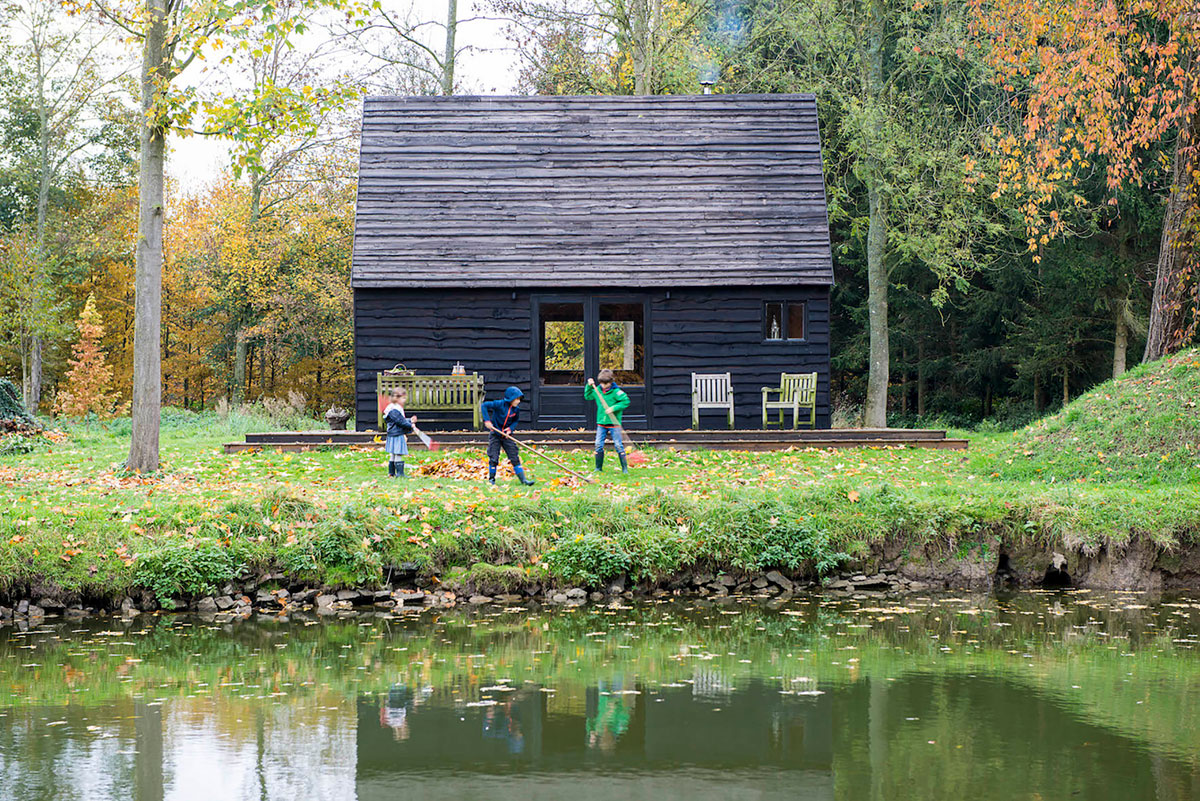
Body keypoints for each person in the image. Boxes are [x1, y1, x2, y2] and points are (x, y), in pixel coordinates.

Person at [481, 386, 535, 486]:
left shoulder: (516, 410)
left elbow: (515, 421)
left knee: (514, 456)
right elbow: (484, 406)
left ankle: (523, 480)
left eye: (519, 399)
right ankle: (491, 480)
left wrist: (510, 429)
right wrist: (487, 420)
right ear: (510, 398)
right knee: (493, 457)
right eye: (516, 399)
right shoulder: (499, 404)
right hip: (495, 434)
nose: (518, 401)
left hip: (506, 436)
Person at [585, 369, 631, 473]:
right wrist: (588, 386)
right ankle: (598, 468)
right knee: (598, 444)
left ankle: (624, 469)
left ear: (611, 382)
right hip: (601, 423)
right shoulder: (597, 390)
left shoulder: (616, 392)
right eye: (601, 383)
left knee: (618, 445)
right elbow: (587, 396)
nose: (603, 386)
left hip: (614, 424)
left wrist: (614, 408)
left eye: (605, 384)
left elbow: (626, 401)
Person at [383, 388, 416, 478]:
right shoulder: (395, 409)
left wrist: (410, 420)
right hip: (397, 434)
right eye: (403, 398)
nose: (405, 400)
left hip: (393, 434)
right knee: (398, 453)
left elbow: (400, 420)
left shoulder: (392, 408)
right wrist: (410, 425)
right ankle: (400, 474)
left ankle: (391, 473)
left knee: (393, 453)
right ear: (397, 398)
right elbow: (400, 422)